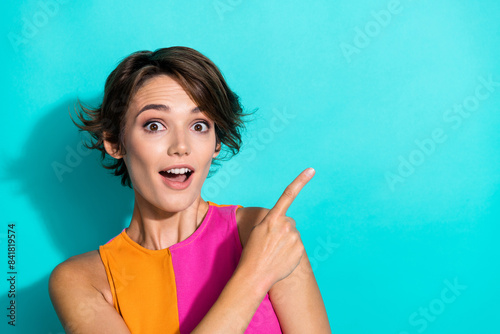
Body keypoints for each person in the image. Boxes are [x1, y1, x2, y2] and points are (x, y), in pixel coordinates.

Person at [48, 46, 331, 333]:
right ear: (115, 142)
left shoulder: (263, 232)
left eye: (199, 126)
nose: (181, 146)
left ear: (216, 144)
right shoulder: (81, 281)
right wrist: (254, 277)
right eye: (155, 125)